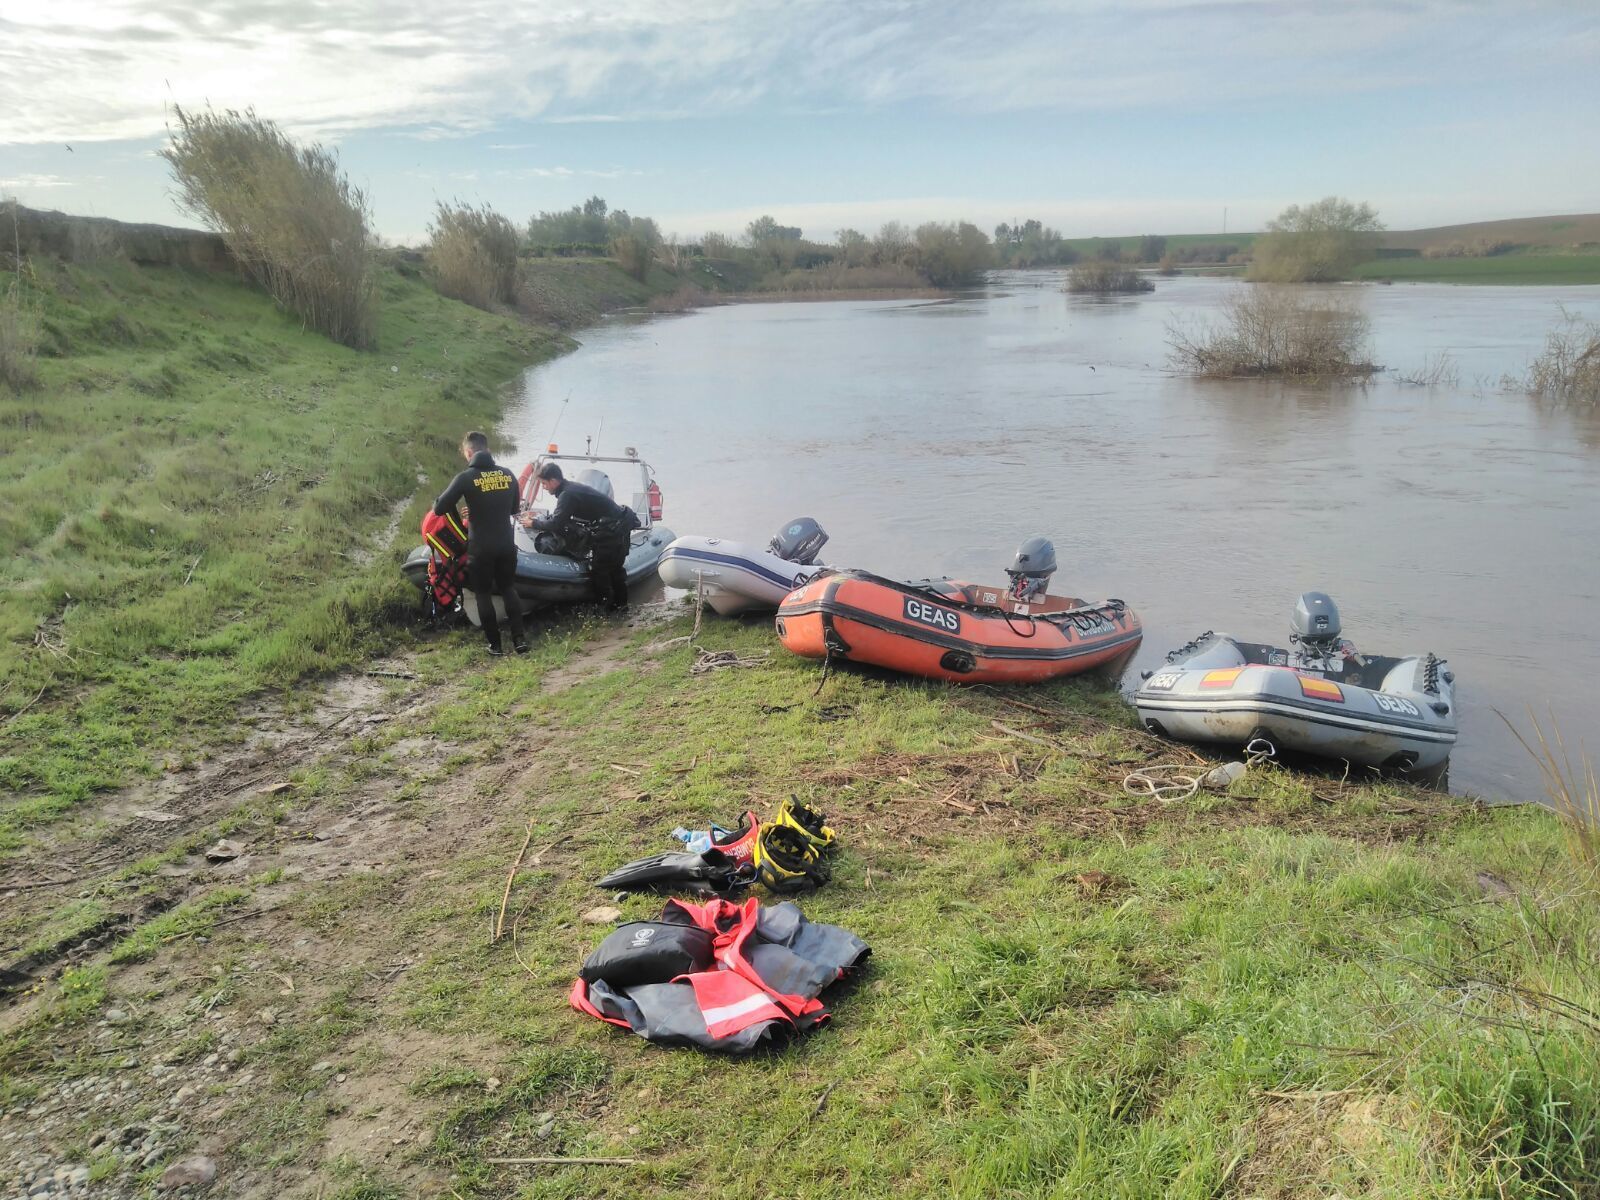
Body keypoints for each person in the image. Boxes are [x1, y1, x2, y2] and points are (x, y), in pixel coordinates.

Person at [433, 432, 528, 656]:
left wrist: (470, 507)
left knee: (483, 594)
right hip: (506, 544)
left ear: (468, 452)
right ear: (488, 449)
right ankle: (520, 641)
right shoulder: (508, 474)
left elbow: (439, 508)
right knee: (508, 588)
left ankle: (495, 645)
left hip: (480, 548)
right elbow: (514, 509)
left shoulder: (465, 478)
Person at [530, 462, 635, 612]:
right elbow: (561, 516)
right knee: (615, 569)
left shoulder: (567, 494)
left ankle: (607, 609)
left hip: (611, 531)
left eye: (544, 484)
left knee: (601, 570)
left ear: (553, 481)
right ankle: (621, 606)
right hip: (618, 526)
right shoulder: (570, 489)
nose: (544, 487)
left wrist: (533, 523)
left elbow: (556, 524)